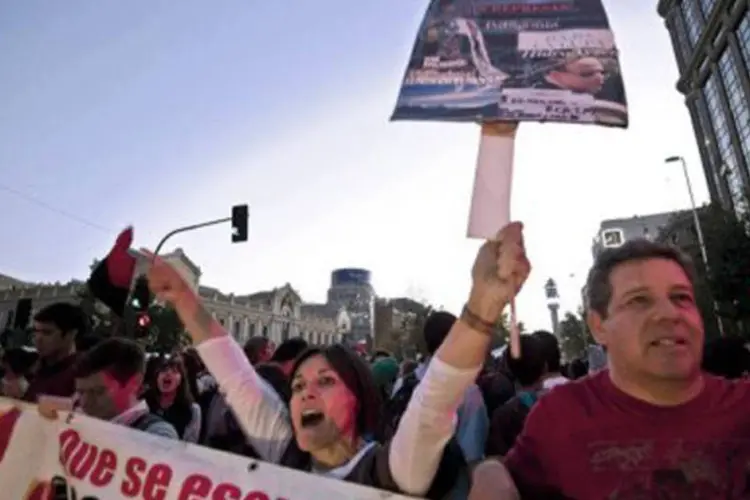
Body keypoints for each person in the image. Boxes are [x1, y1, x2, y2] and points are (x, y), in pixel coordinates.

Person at [142, 221, 529, 497]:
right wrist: (182, 298)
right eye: (297, 386)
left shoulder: (393, 471)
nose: (305, 394)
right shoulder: (288, 456)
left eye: (325, 381)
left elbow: (436, 397)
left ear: (358, 396)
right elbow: (238, 379)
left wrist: (483, 304)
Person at [503, 239, 750, 497]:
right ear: (598, 326)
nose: (669, 313)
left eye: (681, 297)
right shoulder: (559, 418)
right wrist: (490, 474)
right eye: (639, 301)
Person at [65, 338, 178, 439]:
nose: (85, 402)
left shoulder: (156, 434)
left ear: (134, 383)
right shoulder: (74, 421)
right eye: (80, 392)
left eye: (98, 392)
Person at [24, 303, 85, 402]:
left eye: (47, 333)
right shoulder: (36, 367)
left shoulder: (81, 373)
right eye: (36, 331)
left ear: (71, 334)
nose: (38, 339)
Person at [143, 355, 201, 442]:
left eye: (174, 371)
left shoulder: (192, 410)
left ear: (181, 380)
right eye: (163, 370)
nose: (168, 373)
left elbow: (189, 444)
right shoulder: (144, 401)